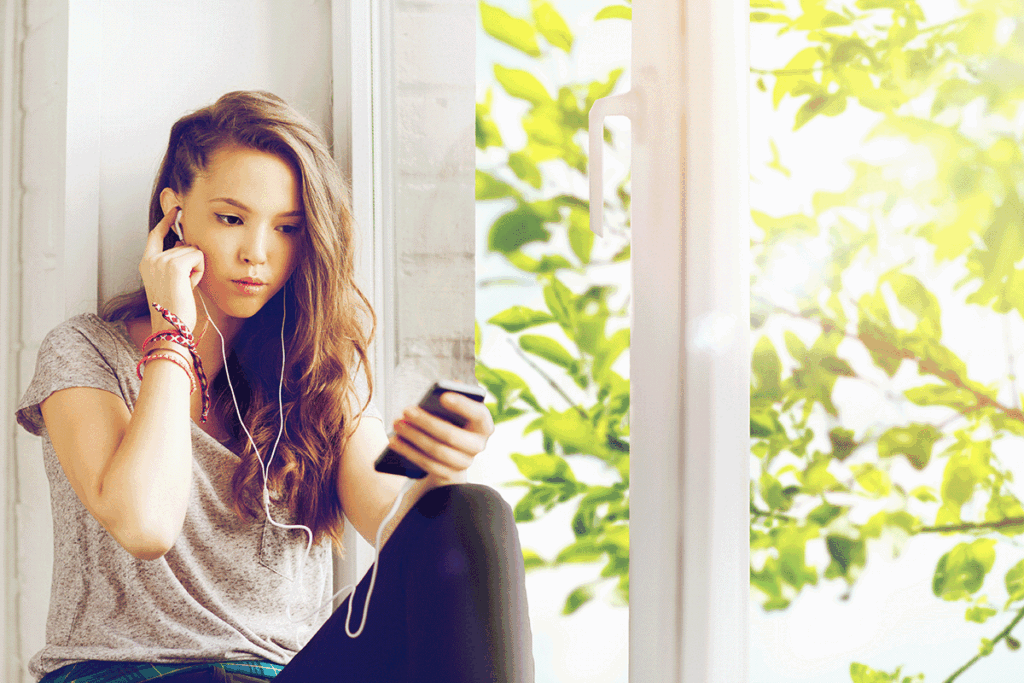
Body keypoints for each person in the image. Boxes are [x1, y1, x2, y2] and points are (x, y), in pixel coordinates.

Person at [15, 91, 534, 682]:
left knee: (474, 512)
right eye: (232, 219)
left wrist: (442, 464)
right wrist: (174, 333)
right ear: (175, 213)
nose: (256, 254)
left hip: (283, 674)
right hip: (128, 675)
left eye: (287, 228)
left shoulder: (315, 375)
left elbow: (405, 532)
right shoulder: (85, 352)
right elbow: (145, 524)